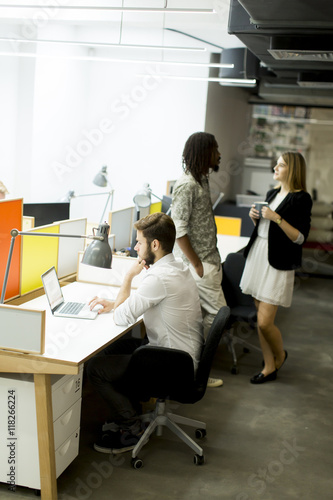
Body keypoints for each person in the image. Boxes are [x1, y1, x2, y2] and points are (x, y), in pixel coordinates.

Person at [87, 212, 204, 454]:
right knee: (115, 349)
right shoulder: (177, 266)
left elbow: (122, 317)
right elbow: (139, 304)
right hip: (181, 355)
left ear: (155, 245)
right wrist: (115, 302)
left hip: (170, 364)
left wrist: (128, 276)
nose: (135, 247)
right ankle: (130, 413)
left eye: (139, 242)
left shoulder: (158, 278)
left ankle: (131, 428)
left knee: (95, 368)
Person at [240, 151, 312, 384]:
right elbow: (265, 228)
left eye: (280, 165)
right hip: (259, 255)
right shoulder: (272, 193)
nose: (275, 168)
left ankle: (280, 355)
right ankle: (269, 366)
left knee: (264, 321)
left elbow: (300, 237)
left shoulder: (302, 199)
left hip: (278, 261)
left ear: (292, 170)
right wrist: (256, 218)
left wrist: (276, 217)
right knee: (261, 316)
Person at [171, 131, 226, 388]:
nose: (219, 154)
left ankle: (194, 371)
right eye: (215, 149)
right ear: (204, 153)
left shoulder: (201, 180)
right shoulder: (186, 185)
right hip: (200, 265)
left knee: (201, 318)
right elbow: (178, 230)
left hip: (208, 260)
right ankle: (197, 374)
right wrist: (196, 264)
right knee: (217, 317)